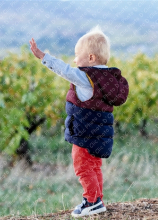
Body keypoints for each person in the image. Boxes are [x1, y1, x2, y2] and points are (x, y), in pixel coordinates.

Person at [29, 25, 129, 218]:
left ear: (91, 58)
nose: (75, 60)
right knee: (95, 166)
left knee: (83, 166)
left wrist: (43, 57)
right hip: (100, 135)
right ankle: (97, 198)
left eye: (77, 55)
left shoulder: (86, 77)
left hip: (84, 134)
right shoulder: (108, 78)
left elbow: (64, 70)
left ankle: (91, 201)